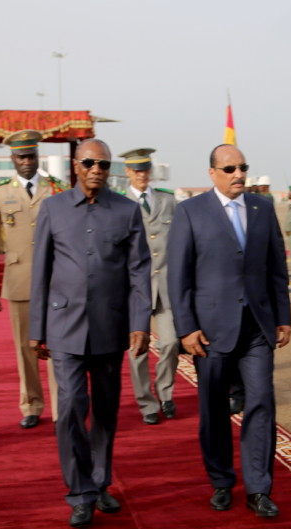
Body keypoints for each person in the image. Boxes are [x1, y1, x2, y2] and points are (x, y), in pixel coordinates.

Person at [29, 138, 152, 528]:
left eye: (103, 164)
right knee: (69, 408)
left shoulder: (127, 211)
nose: (96, 169)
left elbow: (139, 272)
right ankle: (80, 492)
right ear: (75, 165)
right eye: (89, 163)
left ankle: (99, 483)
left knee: (105, 410)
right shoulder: (53, 208)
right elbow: (40, 271)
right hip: (64, 326)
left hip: (109, 327)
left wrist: (140, 323)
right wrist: (36, 328)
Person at [167, 144, 291, 518]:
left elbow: (276, 268)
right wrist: (186, 328)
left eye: (242, 167)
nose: (238, 174)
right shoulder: (190, 211)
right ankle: (221, 480)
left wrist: (283, 316)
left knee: (261, 402)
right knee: (214, 410)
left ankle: (259, 489)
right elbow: (178, 276)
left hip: (256, 328)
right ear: (212, 173)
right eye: (229, 169)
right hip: (211, 331)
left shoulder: (262, 209)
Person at [0, 129, 63, 429]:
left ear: (38, 157)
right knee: (25, 347)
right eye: (21, 157)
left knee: (58, 346)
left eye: (31, 156)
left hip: (56, 281)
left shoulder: (57, 188)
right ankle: (31, 404)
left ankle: (61, 407)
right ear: (12, 159)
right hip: (19, 280)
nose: (27, 162)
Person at [118, 147, 180, 425]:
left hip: (165, 287)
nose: (142, 175)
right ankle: (147, 404)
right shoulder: (119, 204)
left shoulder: (168, 201)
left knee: (171, 342)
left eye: (145, 169)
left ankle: (165, 392)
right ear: (127, 172)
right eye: (136, 170)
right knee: (137, 350)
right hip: (135, 290)